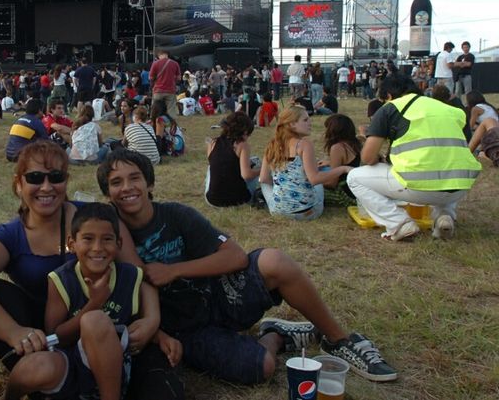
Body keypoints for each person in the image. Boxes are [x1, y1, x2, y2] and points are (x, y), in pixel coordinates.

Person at [96, 148, 398, 384]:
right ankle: (275, 336)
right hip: (185, 328)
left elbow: (236, 257)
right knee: (262, 368)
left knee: (274, 261)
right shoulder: (109, 233)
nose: (127, 188)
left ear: (149, 182)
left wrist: (174, 270)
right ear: (107, 193)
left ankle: (339, 339)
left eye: (134, 178)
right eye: (116, 182)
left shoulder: (176, 215)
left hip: (219, 296)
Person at [0, 141, 183, 400]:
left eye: (55, 177)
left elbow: (138, 274)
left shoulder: (95, 220)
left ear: (66, 181)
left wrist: (152, 322)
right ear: (19, 184)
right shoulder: (9, 235)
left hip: (112, 325)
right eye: (35, 177)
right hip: (49, 337)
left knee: (163, 390)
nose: (46, 187)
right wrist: (13, 332)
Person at [0, 203, 153, 400]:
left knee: (95, 322)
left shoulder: (129, 277)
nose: (97, 248)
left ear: (119, 244)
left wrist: (155, 326)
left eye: (107, 239)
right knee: (34, 366)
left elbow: (149, 291)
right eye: (88, 239)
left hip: (113, 372)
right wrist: (94, 304)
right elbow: (55, 336)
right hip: (71, 364)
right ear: (72, 243)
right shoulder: (61, 280)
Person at [347, 73, 481, 241]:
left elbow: (367, 158)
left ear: (388, 96)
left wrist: (377, 154)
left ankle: (399, 224)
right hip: (460, 186)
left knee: (354, 178)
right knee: (444, 163)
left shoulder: (391, 108)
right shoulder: (451, 110)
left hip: (419, 186)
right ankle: (444, 216)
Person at [259, 106, 351, 220]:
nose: (310, 123)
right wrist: (343, 169)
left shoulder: (272, 145)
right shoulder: (304, 145)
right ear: (291, 124)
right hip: (307, 213)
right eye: (305, 120)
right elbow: (314, 179)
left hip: (277, 211)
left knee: (263, 183)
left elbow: (264, 178)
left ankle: (283, 200)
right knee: (318, 178)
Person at [205, 112, 260, 207]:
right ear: (244, 132)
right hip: (237, 200)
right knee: (258, 164)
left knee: (211, 168)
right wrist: (261, 171)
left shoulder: (213, 142)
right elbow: (246, 175)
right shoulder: (242, 145)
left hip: (213, 200)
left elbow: (216, 165)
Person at [318, 114, 361, 206]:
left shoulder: (337, 148)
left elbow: (332, 183)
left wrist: (315, 182)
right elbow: (351, 164)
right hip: (358, 191)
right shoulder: (355, 143)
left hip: (347, 195)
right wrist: (330, 163)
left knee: (309, 190)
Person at [148, 49, 181, 119]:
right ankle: (171, 125)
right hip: (170, 90)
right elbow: (179, 78)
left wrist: (152, 87)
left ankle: (154, 123)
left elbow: (151, 78)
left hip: (158, 90)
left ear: (159, 55)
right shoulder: (175, 63)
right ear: (167, 55)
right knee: (171, 109)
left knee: (155, 109)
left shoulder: (155, 63)